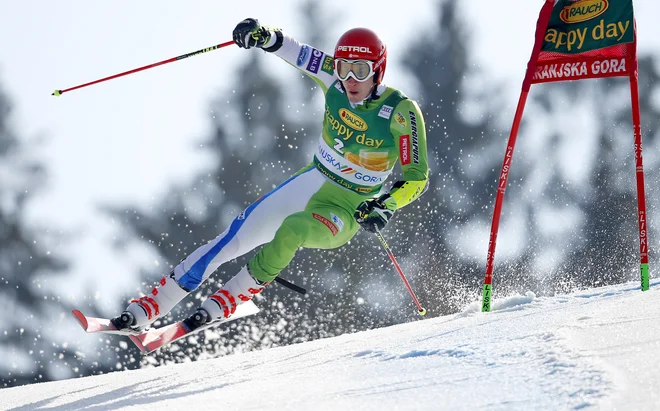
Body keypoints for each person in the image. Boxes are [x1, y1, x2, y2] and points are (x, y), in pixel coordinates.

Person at [111, 18, 429, 332]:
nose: (349, 79)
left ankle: (227, 300)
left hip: (347, 209)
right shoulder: (332, 76)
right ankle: (152, 305)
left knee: (292, 229)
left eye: (359, 70)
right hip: (312, 180)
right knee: (231, 239)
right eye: (344, 67)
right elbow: (294, 50)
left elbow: (417, 176)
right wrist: (262, 35)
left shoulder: (401, 111)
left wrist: (386, 204)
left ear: (378, 69)